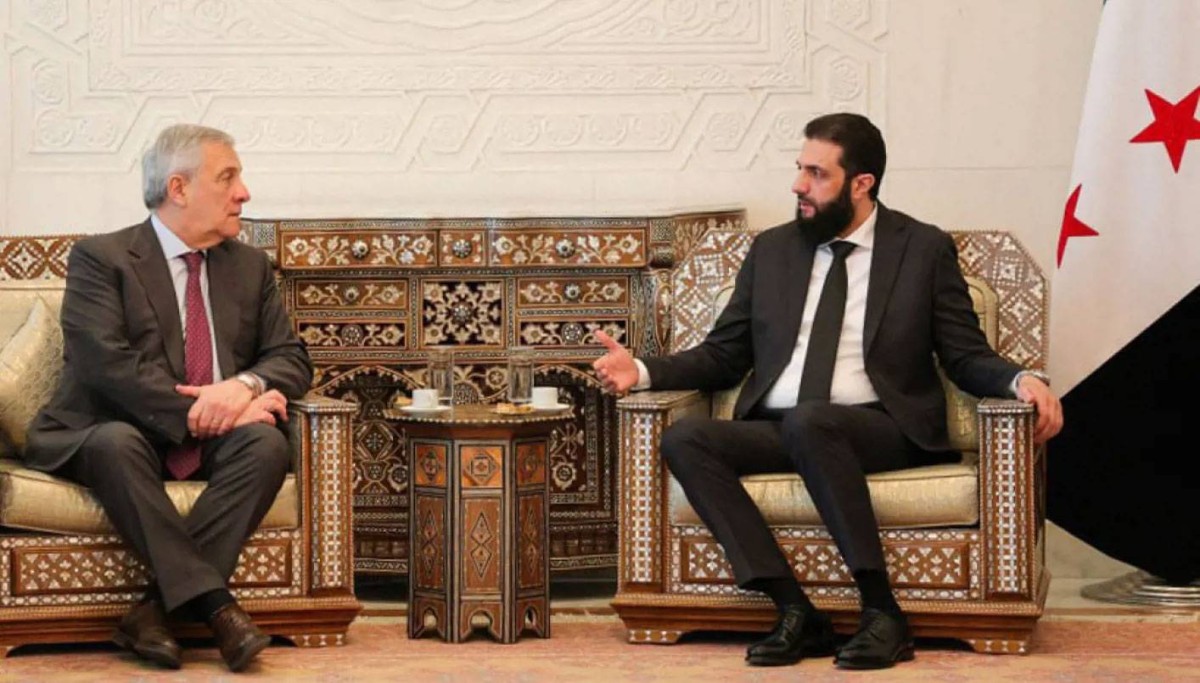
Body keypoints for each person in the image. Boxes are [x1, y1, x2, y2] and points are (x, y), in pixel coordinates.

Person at [593, 113, 1062, 670]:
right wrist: (641, 370)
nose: (798, 185)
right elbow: (724, 354)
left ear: (861, 183)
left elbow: (964, 353)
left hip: (882, 427)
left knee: (812, 421)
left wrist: (1021, 379)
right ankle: (795, 611)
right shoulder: (772, 251)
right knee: (688, 439)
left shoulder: (921, 249)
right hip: (785, 425)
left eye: (817, 174)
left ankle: (882, 611)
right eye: (800, 169)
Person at [22, 124, 313, 672]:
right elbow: (103, 364)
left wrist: (241, 389)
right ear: (178, 188)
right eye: (227, 177)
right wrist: (202, 412)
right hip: (111, 431)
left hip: (214, 436)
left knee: (266, 446)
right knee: (117, 442)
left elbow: (290, 358)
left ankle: (153, 611)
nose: (244, 192)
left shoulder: (249, 266)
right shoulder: (102, 258)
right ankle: (217, 608)